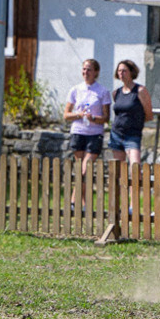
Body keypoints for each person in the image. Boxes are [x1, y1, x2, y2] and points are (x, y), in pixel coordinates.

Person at [63, 58, 111, 208]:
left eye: (89, 69)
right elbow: (66, 115)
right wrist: (79, 115)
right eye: (84, 69)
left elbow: (106, 117)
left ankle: (73, 200)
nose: (86, 72)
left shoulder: (102, 91)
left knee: (85, 167)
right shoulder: (75, 90)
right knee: (80, 169)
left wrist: (93, 118)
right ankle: (82, 203)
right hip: (78, 131)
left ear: (96, 72)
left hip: (94, 133)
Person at [109, 59, 154, 166]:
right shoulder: (116, 93)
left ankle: (133, 184)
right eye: (119, 71)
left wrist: (135, 122)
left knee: (135, 167)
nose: (121, 73)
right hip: (116, 134)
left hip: (132, 135)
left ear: (131, 72)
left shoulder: (140, 91)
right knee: (118, 170)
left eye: (124, 71)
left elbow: (149, 115)